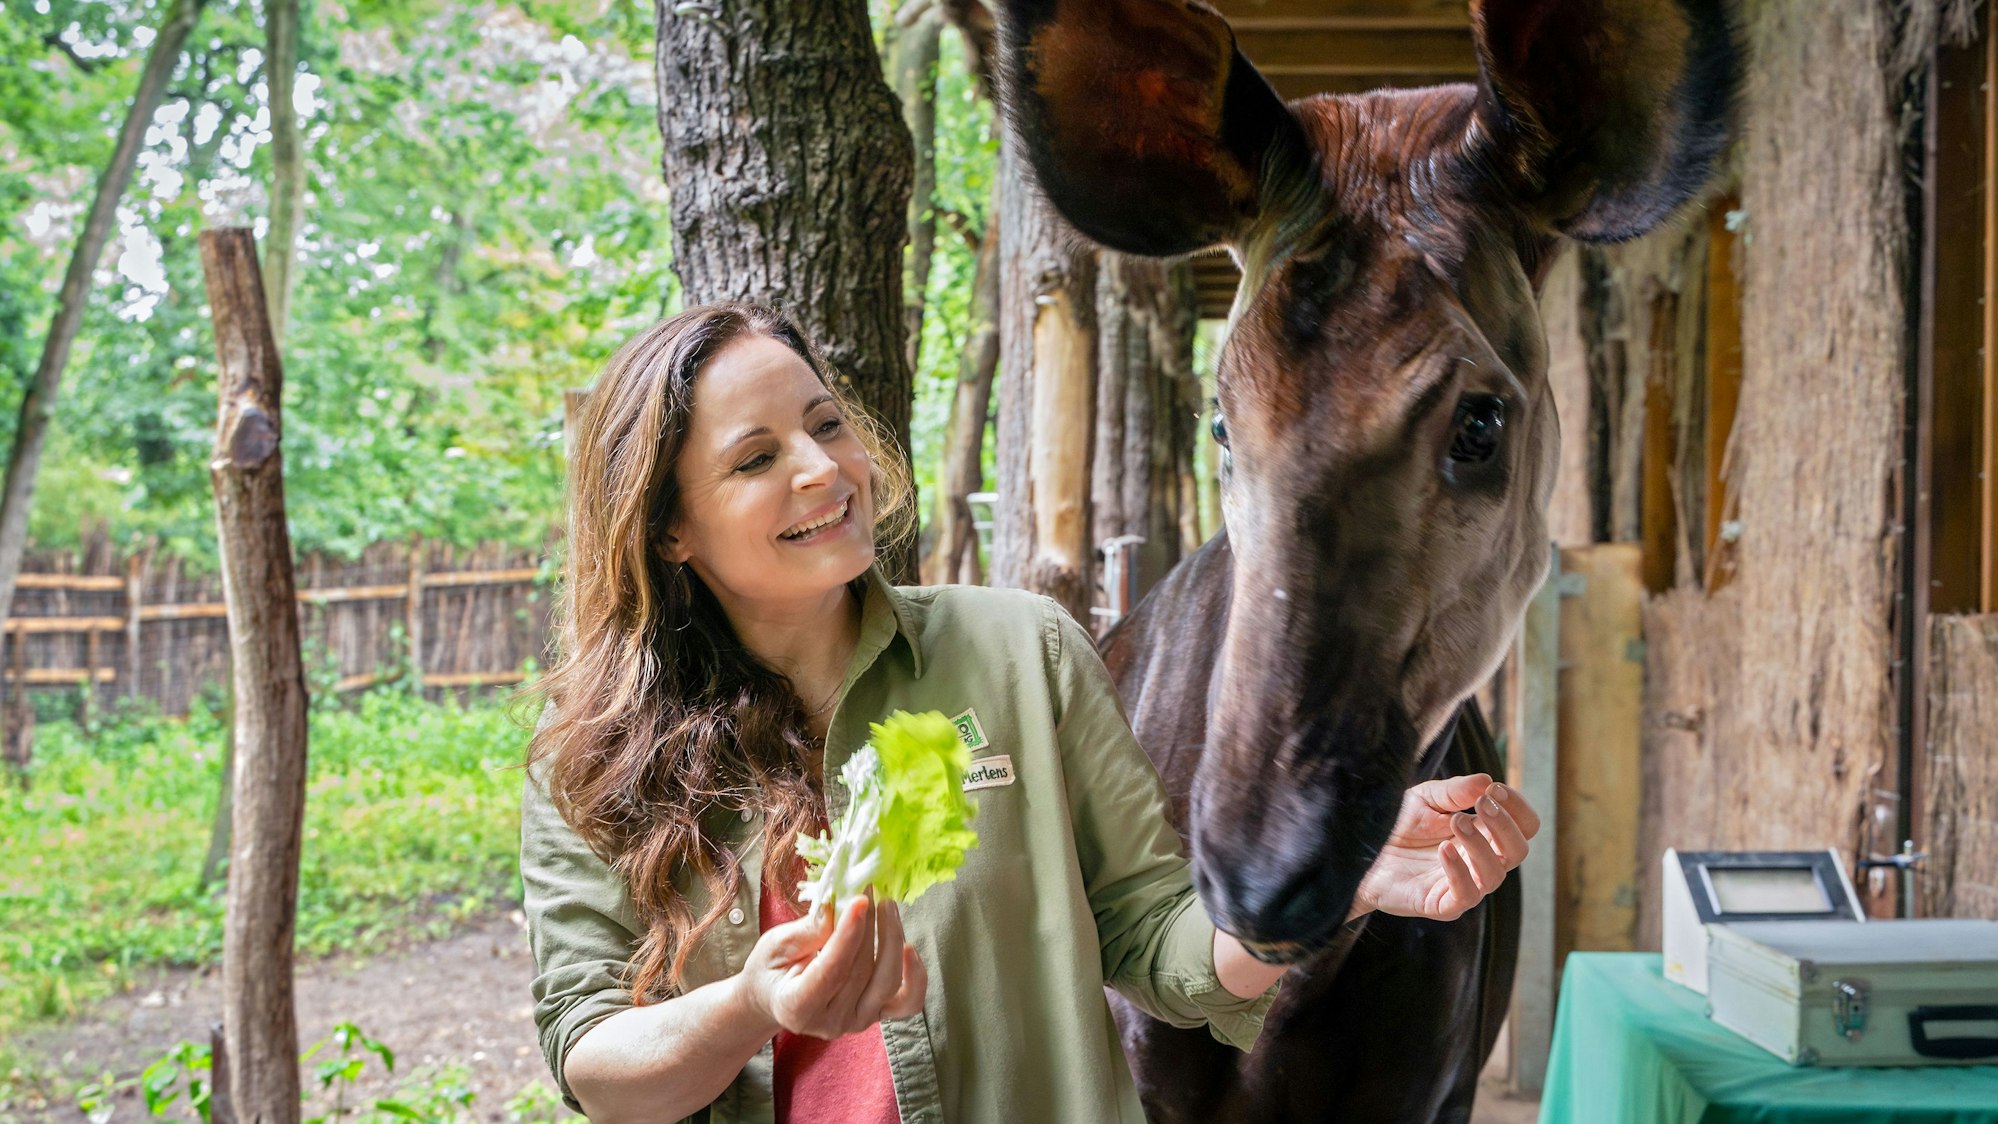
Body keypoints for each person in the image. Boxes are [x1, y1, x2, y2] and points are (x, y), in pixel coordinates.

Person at [519, 302, 1539, 1124]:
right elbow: (595, 1060)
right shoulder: (594, 760)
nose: (825, 469)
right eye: (756, 458)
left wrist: (1341, 882)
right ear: (668, 531)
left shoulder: (1022, 652)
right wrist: (754, 1003)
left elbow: (1162, 944)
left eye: (826, 422)